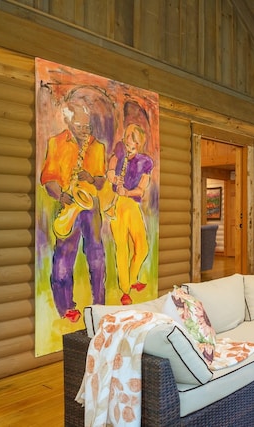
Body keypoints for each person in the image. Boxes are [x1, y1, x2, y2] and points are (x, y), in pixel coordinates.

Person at [40, 101, 106, 323]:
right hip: (69, 203)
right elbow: (48, 177)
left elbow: (101, 180)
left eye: (87, 126)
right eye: (79, 125)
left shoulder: (97, 147)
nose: (84, 130)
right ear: (68, 121)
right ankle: (65, 307)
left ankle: (100, 304)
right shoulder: (56, 143)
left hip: (91, 205)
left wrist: (92, 178)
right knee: (64, 257)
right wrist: (60, 196)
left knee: (96, 255)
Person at [106, 123, 154, 305]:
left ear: (140, 143)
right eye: (127, 142)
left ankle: (133, 278)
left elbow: (141, 190)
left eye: (133, 143)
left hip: (132, 204)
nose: (129, 146)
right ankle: (125, 289)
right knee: (121, 247)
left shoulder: (146, 162)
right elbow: (110, 169)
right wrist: (113, 177)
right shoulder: (119, 151)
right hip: (117, 205)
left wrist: (128, 192)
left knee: (142, 248)